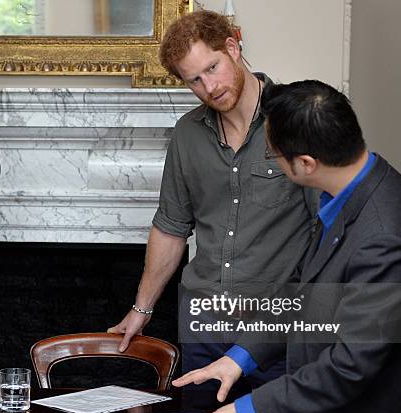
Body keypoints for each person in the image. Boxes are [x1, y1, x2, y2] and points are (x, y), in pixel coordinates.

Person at [174, 80, 401, 413]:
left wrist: (247, 411)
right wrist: (240, 358)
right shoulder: (346, 196)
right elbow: (303, 293)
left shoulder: (385, 237)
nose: (273, 162)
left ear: (306, 163)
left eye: (275, 155)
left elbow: (350, 364)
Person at [108, 11, 315, 387]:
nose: (210, 86)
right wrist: (142, 308)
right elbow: (170, 227)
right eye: (195, 80)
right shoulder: (187, 134)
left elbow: (328, 229)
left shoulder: (296, 120)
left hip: (277, 323)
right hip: (205, 323)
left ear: (233, 48)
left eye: (213, 67)